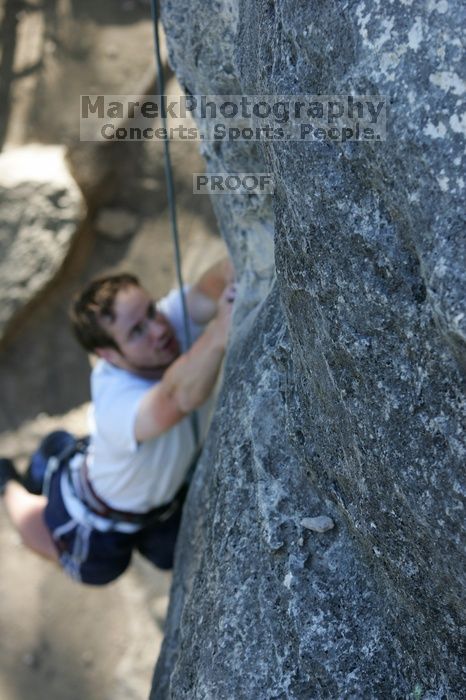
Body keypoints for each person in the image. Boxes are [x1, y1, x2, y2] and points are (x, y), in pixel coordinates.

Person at [0, 258, 235, 585]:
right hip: (94, 514)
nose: (158, 329)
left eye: (150, 311)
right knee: (91, 569)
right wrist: (221, 331)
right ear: (108, 354)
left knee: (169, 555)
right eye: (136, 331)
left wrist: (235, 271)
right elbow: (176, 398)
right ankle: (7, 484)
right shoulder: (115, 398)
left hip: (158, 502)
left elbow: (207, 290)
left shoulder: (164, 329)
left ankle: (53, 452)